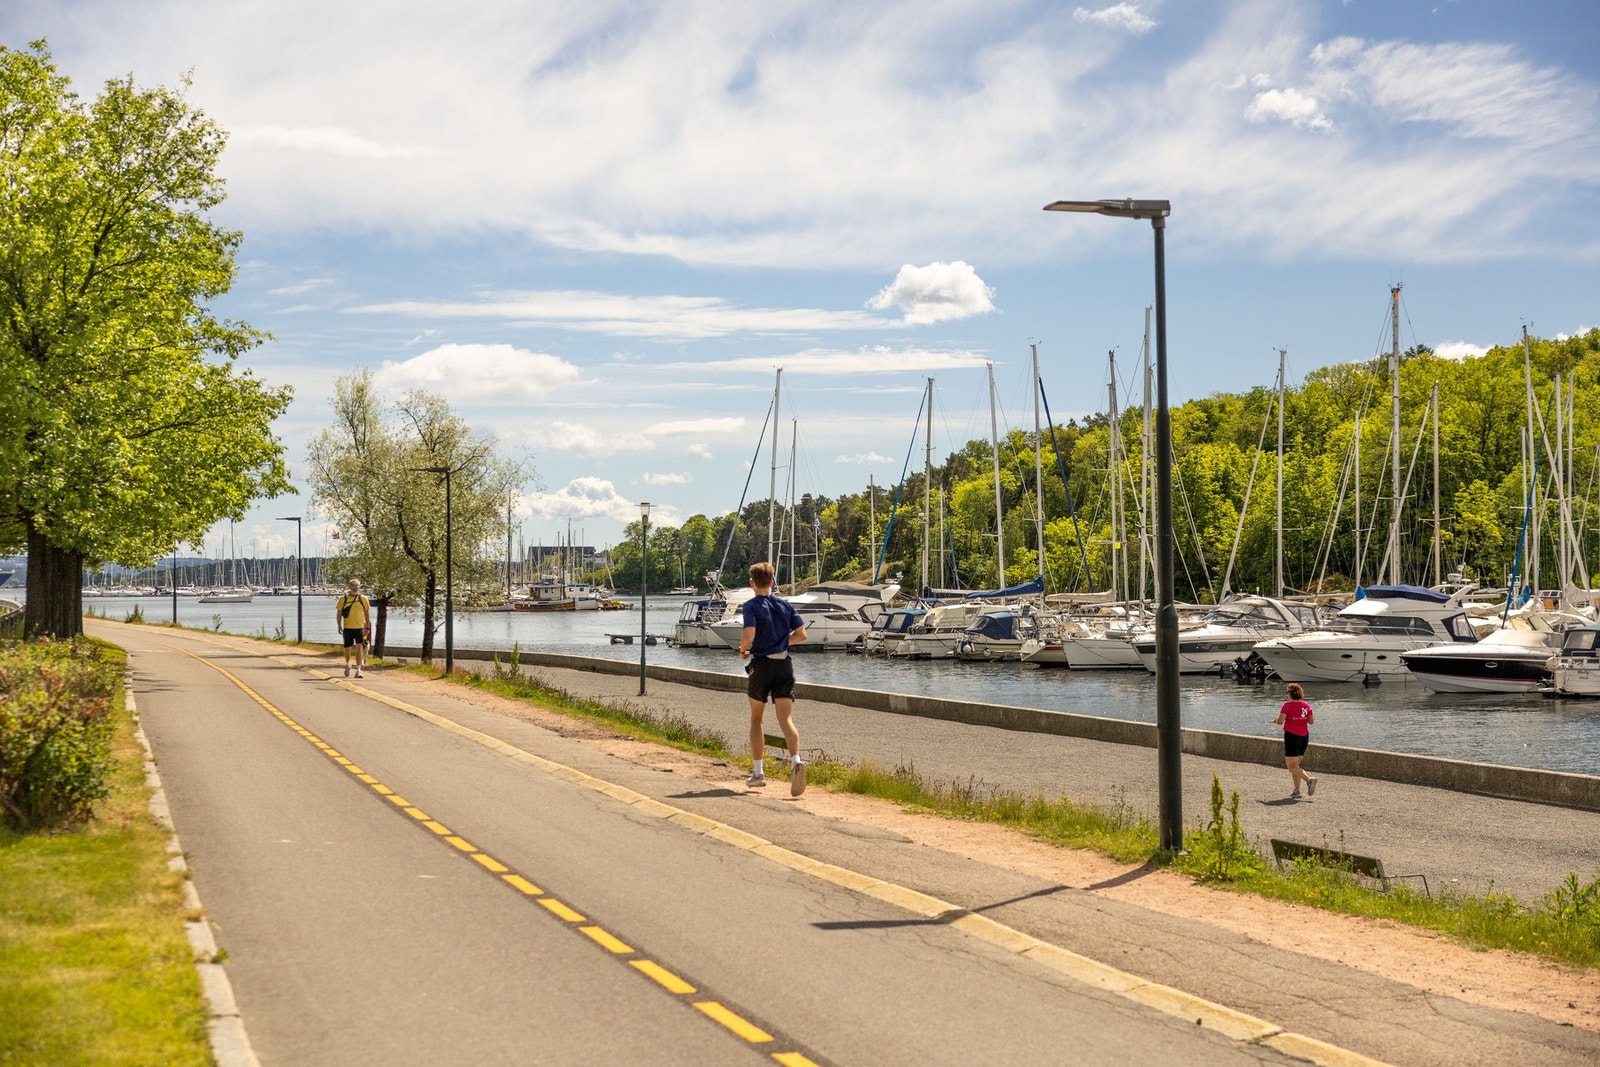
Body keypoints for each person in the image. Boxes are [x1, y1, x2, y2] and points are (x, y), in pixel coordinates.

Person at [737, 561, 808, 795]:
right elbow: (802, 635)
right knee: (786, 719)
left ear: (752, 583)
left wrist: (743, 649)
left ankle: (758, 773)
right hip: (784, 665)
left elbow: (749, 634)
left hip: (762, 665)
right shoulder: (784, 606)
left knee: (756, 719)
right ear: (772, 581)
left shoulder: (751, 606)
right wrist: (780, 642)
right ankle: (796, 761)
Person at [1274, 682, 1316, 798]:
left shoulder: (1287, 705)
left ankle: (1309, 780)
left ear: (1290, 694)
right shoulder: (1307, 706)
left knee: (1291, 767)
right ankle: (1296, 791)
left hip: (1292, 737)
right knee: (1296, 766)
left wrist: (1275, 720)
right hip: (1304, 737)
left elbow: (1280, 721)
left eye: (1287, 693)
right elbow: (1311, 722)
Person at [336, 578, 372, 678]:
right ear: (349, 587)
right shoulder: (343, 599)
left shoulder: (363, 599)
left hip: (360, 628)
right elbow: (339, 614)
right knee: (348, 649)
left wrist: (367, 628)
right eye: (353, 586)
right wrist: (339, 625)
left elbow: (367, 614)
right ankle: (348, 663)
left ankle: (358, 670)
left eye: (357, 587)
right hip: (347, 628)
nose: (355, 588)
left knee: (359, 647)